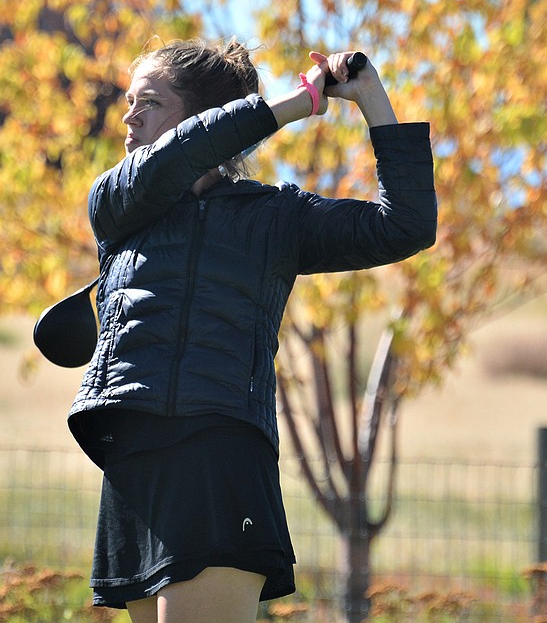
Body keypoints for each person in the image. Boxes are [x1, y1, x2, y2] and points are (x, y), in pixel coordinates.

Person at [67, 38, 437, 623]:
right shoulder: (119, 203)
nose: (129, 117)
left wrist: (371, 99)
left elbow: (407, 225)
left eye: (150, 102)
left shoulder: (274, 216)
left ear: (203, 114)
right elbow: (177, 158)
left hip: (220, 453)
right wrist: (298, 103)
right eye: (129, 102)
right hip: (136, 460)